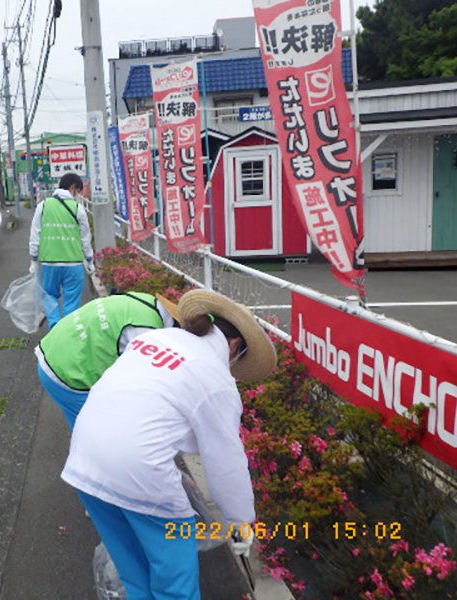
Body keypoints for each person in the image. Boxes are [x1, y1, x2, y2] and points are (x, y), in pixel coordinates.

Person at [61, 289, 278, 600]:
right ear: (235, 346)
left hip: (84, 459)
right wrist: (241, 521)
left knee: (135, 575)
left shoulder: (157, 339)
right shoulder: (217, 379)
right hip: (139, 472)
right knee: (175, 586)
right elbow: (225, 462)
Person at [36, 292, 179, 429]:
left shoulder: (147, 302)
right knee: (98, 433)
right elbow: (146, 385)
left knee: (83, 431)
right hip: (65, 370)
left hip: (55, 347)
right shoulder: (147, 332)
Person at [29, 172, 94, 328]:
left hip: (49, 263)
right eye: (78, 191)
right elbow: (85, 238)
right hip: (73, 263)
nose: (78, 195)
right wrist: (90, 260)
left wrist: (33, 259)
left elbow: (35, 234)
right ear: (72, 188)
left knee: (49, 297)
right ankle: (68, 331)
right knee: (71, 301)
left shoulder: (43, 206)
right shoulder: (78, 208)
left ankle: (55, 328)